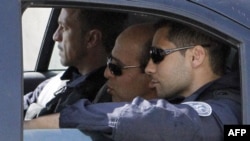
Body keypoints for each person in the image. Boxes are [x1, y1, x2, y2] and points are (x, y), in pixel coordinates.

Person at [25, 20, 241, 141]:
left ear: (196, 57)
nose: (149, 68)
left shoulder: (228, 111)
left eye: (157, 55)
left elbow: (162, 121)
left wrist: (63, 119)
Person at [23, 22, 158, 127]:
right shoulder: (57, 82)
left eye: (115, 68)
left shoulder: (157, 125)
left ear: (152, 75)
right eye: (108, 62)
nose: (106, 73)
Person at [23, 8, 127, 120]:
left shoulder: (99, 101)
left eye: (64, 27)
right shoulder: (57, 82)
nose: (56, 36)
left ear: (91, 39)